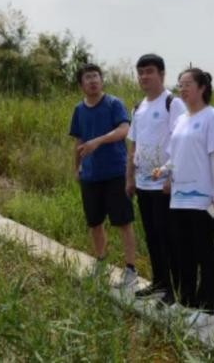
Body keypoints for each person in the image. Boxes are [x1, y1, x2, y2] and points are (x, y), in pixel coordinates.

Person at [153, 67, 214, 324]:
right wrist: (163, 170)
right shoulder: (182, 119)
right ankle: (186, 302)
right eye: (180, 84)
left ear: (202, 87)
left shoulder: (212, 117)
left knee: (204, 252)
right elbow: (176, 157)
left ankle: (205, 308)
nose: (182, 89)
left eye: (187, 84)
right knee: (182, 252)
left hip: (203, 198)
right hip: (179, 198)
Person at [68, 63, 136, 286]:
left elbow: (124, 130)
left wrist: (98, 141)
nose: (93, 81)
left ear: (101, 80)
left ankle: (130, 269)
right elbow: (79, 140)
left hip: (115, 172)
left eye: (96, 76)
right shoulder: (79, 110)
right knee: (94, 222)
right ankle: (101, 262)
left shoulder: (113, 103)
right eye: (88, 78)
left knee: (123, 222)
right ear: (81, 85)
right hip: (90, 175)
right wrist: (77, 167)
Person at [125, 52, 183, 301]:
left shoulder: (172, 103)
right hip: (143, 184)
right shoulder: (138, 108)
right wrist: (129, 179)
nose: (144, 77)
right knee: (151, 236)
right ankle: (159, 282)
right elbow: (133, 146)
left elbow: (181, 142)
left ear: (162, 74)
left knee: (168, 237)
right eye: (140, 72)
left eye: (149, 71)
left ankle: (173, 290)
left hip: (164, 185)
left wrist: (171, 177)